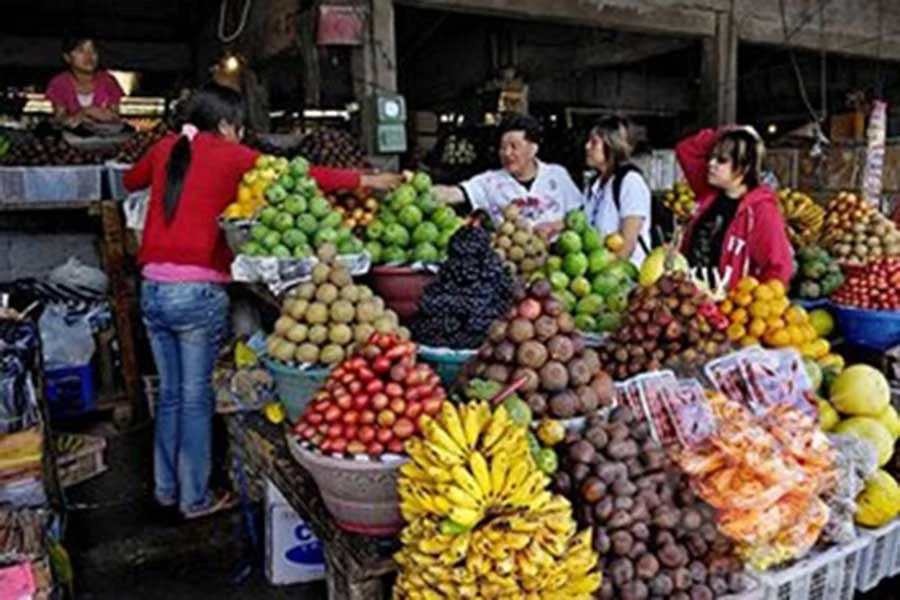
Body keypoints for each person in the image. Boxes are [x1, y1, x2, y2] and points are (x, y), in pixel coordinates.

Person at [123, 83, 401, 519]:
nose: (241, 135)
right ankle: (194, 498)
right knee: (195, 398)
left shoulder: (164, 149)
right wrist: (367, 180)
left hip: (153, 289)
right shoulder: (231, 154)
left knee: (173, 395)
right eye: (239, 127)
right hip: (196, 293)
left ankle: (165, 488)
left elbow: (129, 179)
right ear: (226, 125)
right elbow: (297, 174)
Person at [676, 126, 792, 288]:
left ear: (744, 167)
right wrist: (727, 133)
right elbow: (685, 150)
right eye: (711, 157)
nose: (711, 164)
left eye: (721, 160)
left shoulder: (761, 210)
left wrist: (753, 305)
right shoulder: (709, 193)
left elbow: (778, 267)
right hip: (691, 300)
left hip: (728, 308)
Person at [432, 114, 582, 240]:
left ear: (533, 149)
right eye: (503, 147)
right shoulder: (489, 182)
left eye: (514, 146)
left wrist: (554, 227)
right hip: (509, 262)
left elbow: (579, 215)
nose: (507, 153)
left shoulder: (557, 175)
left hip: (558, 261)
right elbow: (454, 193)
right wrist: (418, 188)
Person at [581, 116, 652, 267]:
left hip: (624, 276)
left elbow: (627, 243)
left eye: (594, 142)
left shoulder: (630, 182)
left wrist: (608, 274)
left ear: (611, 145)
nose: (587, 147)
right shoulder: (593, 185)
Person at [46, 37, 124, 129]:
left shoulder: (109, 81)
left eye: (93, 51)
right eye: (81, 51)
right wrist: (84, 113)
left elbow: (115, 117)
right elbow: (60, 119)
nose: (89, 56)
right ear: (67, 57)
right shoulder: (59, 84)